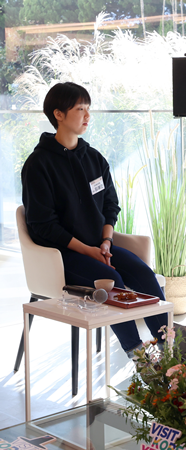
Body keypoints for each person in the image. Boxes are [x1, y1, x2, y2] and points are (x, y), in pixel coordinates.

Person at [21, 82, 166, 358]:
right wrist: (88, 250)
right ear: (59, 114)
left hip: (99, 246)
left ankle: (169, 349)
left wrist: (106, 241)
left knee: (143, 272)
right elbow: (42, 224)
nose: (87, 116)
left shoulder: (95, 159)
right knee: (110, 278)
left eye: (88, 109)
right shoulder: (38, 164)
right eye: (80, 109)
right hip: (60, 255)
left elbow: (111, 205)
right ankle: (138, 356)